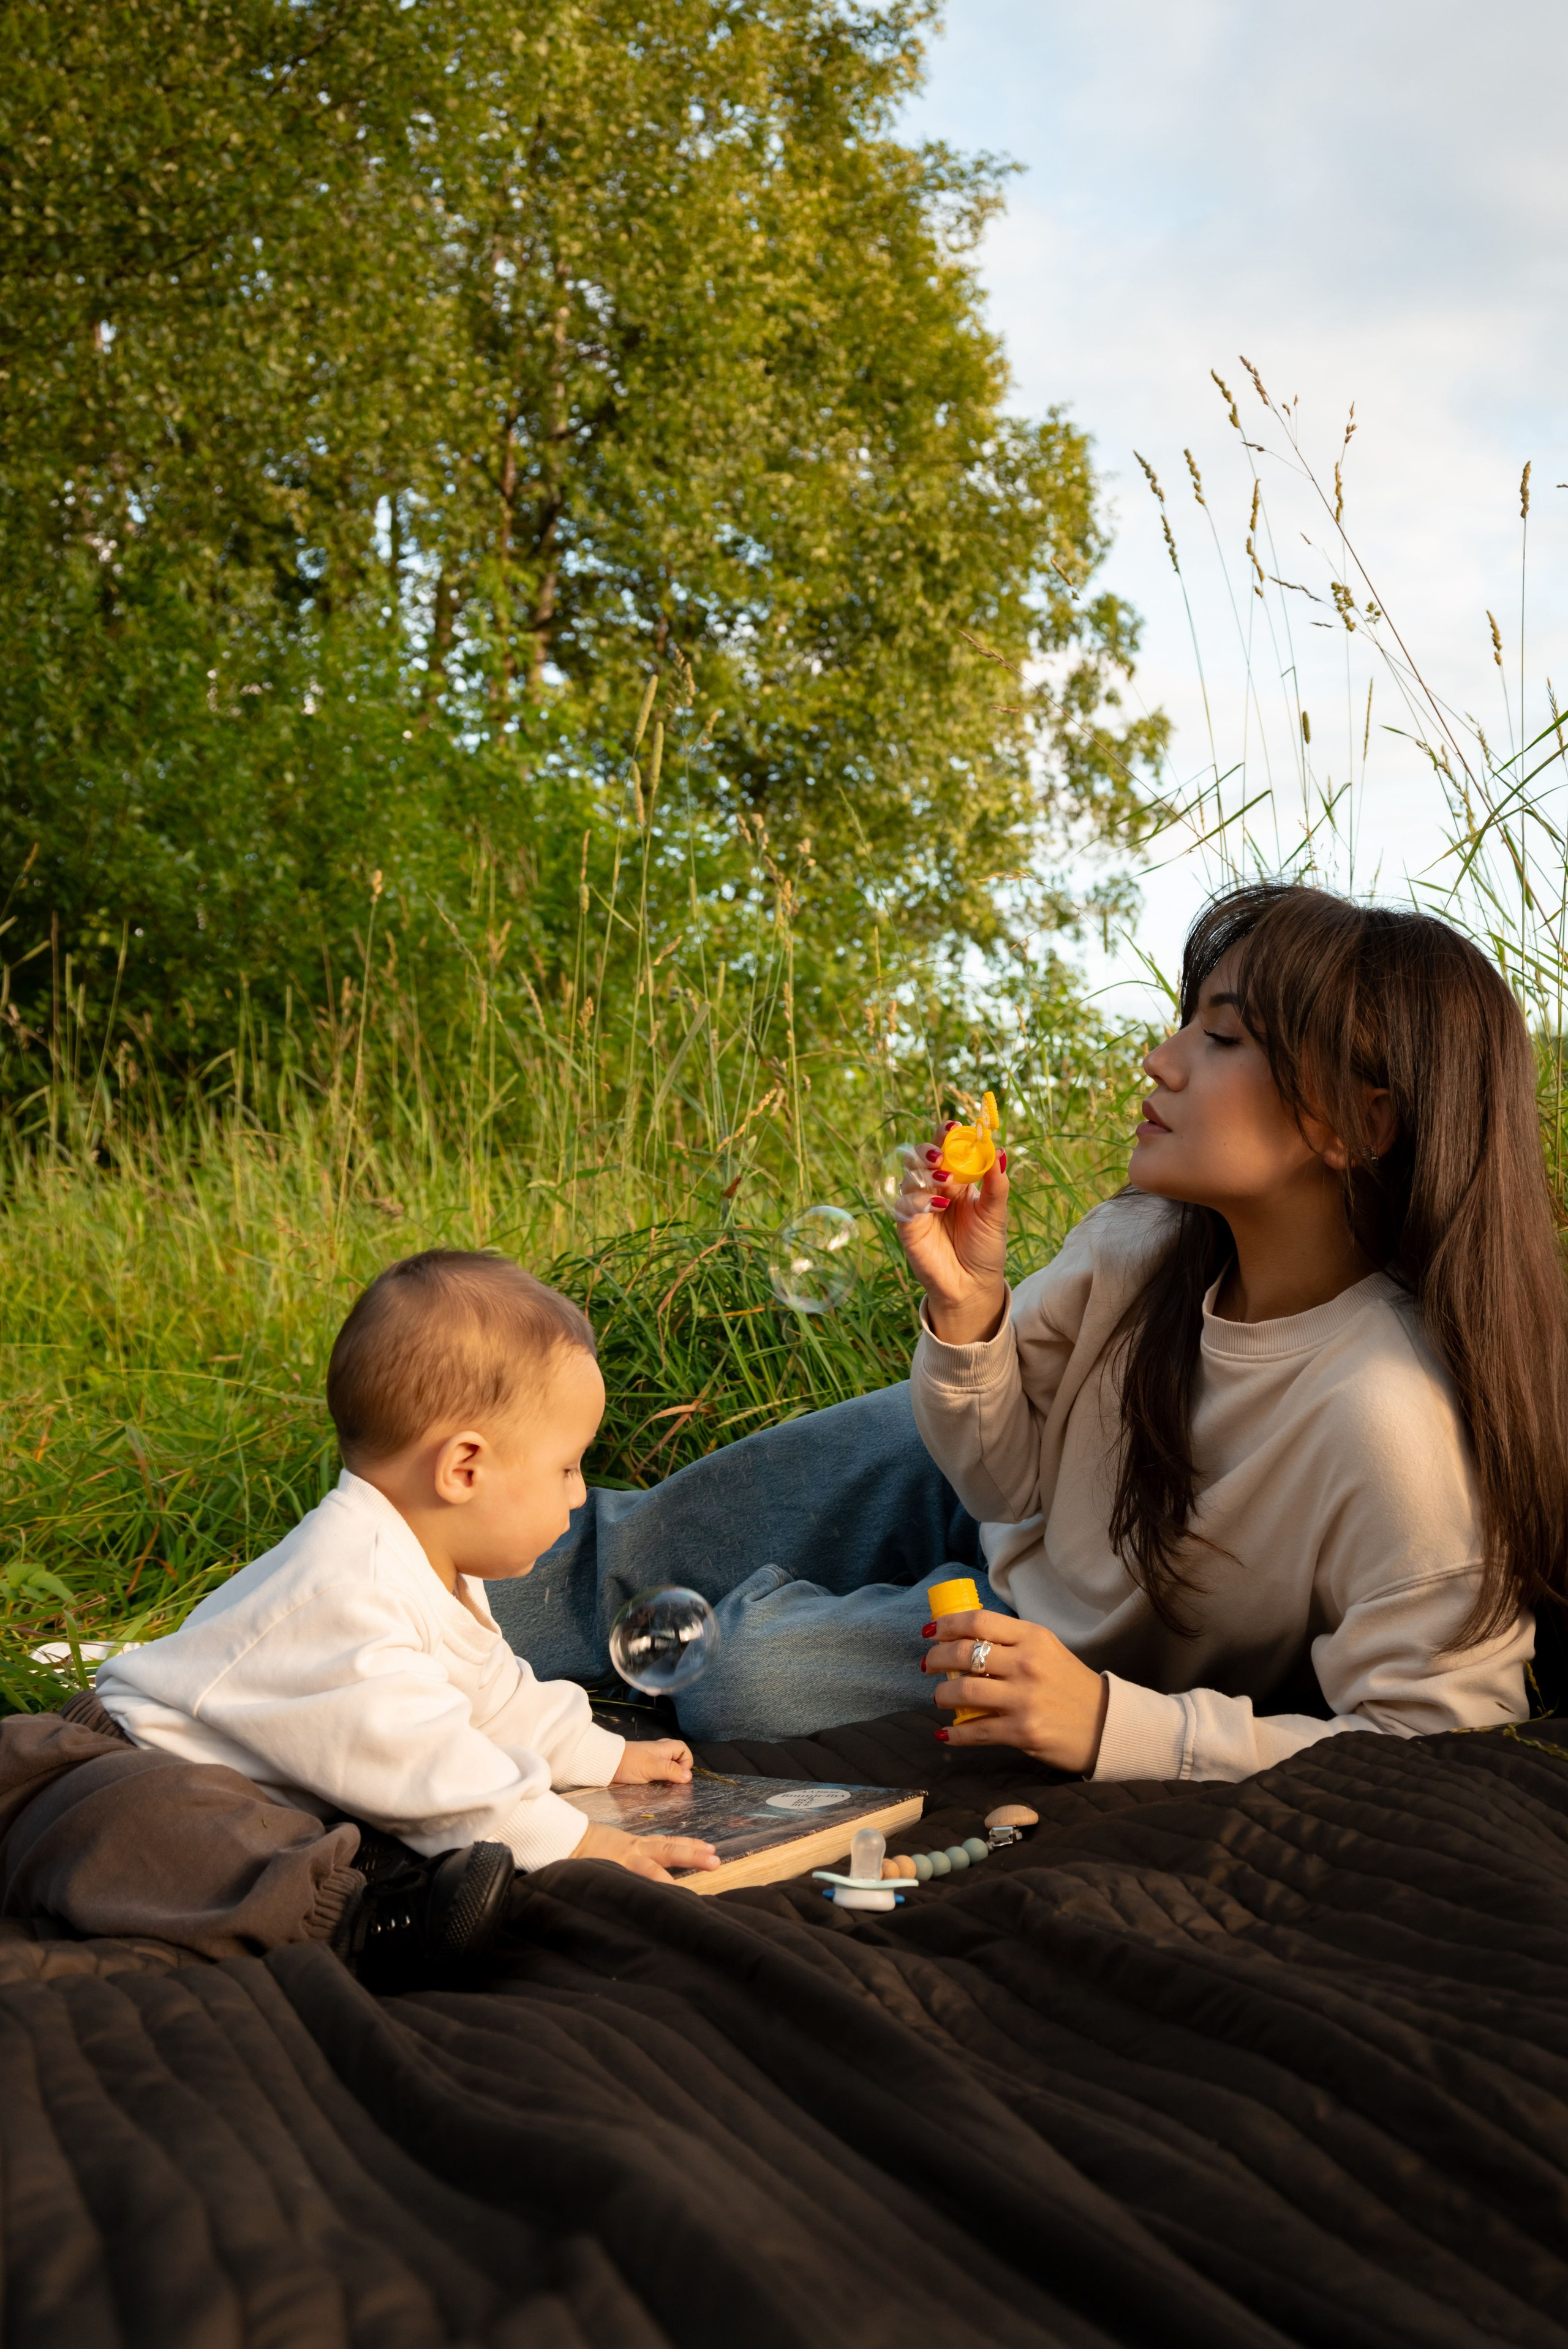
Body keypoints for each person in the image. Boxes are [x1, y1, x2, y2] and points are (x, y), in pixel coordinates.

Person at [494, 881, 1567, 1779]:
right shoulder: (1140, 1247)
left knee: (749, 1677)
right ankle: (374, 1616)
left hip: (1055, 1641)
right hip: (995, 1504)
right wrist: (971, 1317)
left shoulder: (1389, 1421)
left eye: (1222, 1036)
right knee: (642, 1548)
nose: (1162, 1059)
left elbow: (1439, 1737)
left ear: (1360, 1122)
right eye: (1187, 1019)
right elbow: (1002, 1488)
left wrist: (1119, 1725)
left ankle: (656, 1638)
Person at [0, 1253, 718, 1970]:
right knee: (164, 1838)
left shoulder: (430, 1565)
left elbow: (494, 1697)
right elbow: (431, 1764)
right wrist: (577, 1843)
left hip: (251, 1797)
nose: (577, 1494)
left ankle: (354, 1877)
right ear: (463, 1469)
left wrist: (603, 1753)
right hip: (114, 1766)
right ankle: (373, 1921)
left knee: (278, 1833)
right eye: (567, 1466)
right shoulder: (351, 1590)